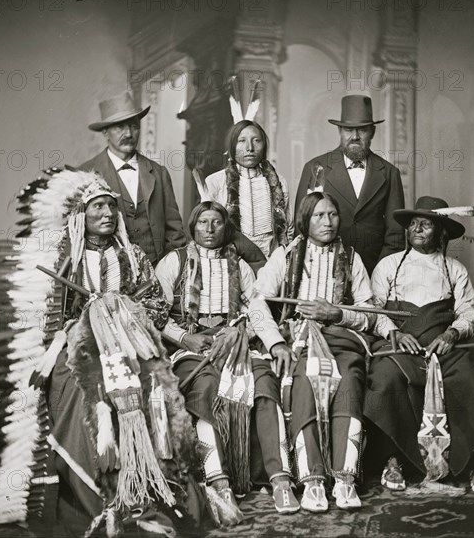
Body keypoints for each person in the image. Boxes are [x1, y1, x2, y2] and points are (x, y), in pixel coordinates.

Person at [45, 173, 199, 535]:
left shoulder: (132, 255)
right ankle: (105, 498)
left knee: (155, 390)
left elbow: (158, 307)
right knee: (82, 393)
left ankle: (156, 489)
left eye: (112, 205)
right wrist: (90, 320)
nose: (108, 212)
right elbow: (55, 314)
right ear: (82, 215)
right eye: (99, 206)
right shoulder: (69, 260)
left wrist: (122, 312)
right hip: (83, 352)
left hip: (133, 346)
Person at [249, 191, 395, 512]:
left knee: (350, 378)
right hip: (299, 339)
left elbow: (369, 312)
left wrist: (337, 314)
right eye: (319, 215)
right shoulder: (285, 256)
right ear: (305, 219)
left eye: (332, 215)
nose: (327, 222)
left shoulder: (351, 257)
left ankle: (345, 479)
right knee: (304, 377)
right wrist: (275, 343)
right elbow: (257, 303)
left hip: (342, 340)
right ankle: (312, 479)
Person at [154, 201, 299, 523]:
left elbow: (257, 308)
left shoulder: (240, 266)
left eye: (216, 222)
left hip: (235, 339)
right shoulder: (172, 263)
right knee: (203, 386)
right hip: (192, 342)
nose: (209, 229)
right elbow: (155, 313)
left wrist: (274, 343)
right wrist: (184, 338)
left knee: (263, 383)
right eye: (202, 222)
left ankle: (280, 479)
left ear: (226, 227)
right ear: (192, 227)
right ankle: (218, 481)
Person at [365, 196, 474, 494]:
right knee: (385, 379)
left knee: (470, 379)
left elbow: (467, 314)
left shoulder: (454, 269)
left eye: (425, 224)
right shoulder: (388, 266)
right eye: (413, 224)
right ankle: (393, 460)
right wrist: (392, 333)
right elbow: (374, 311)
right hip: (401, 347)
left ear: (441, 232)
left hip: (443, 349)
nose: (417, 229)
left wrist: (451, 334)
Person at [294, 95, 405, 275]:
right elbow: (301, 227)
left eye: (362, 130)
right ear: (339, 131)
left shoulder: (389, 173)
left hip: (373, 271)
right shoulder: (316, 167)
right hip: (323, 272)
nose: (354, 136)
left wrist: (380, 274)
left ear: (373, 132)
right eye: (348, 129)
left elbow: (395, 236)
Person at [79, 93, 186, 265]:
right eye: (120, 127)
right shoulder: (85, 174)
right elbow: (76, 235)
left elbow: (175, 231)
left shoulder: (159, 173)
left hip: (157, 274)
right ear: (105, 132)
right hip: (108, 277)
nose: (128, 133)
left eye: (134, 126)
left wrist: (171, 270)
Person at [205, 120, 293, 260]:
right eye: (241, 141)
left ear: (264, 146)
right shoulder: (215, 182)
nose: (249, 147)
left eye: (256, 140)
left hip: (272, 262)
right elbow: (208, 230)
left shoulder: (280, 182)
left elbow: (288, 229)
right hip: (230, 261)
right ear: (232, 146)